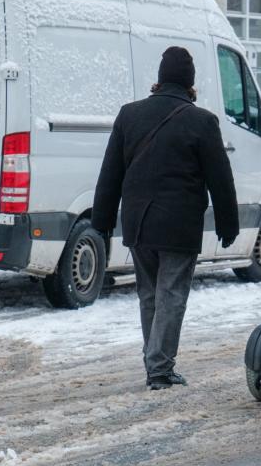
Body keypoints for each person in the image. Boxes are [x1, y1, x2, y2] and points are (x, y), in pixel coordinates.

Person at [92, 46, 239, 390]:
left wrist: (102, 220)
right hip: (178, 224)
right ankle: (159, 368)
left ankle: (154, 361)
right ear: (190, 82)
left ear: (159, 79)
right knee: (171, 294)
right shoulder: (202, 121)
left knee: (149, 294)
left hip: (139, 222)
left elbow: (110, 172)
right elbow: (220, 177)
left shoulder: (130, 114)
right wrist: (228, 223)